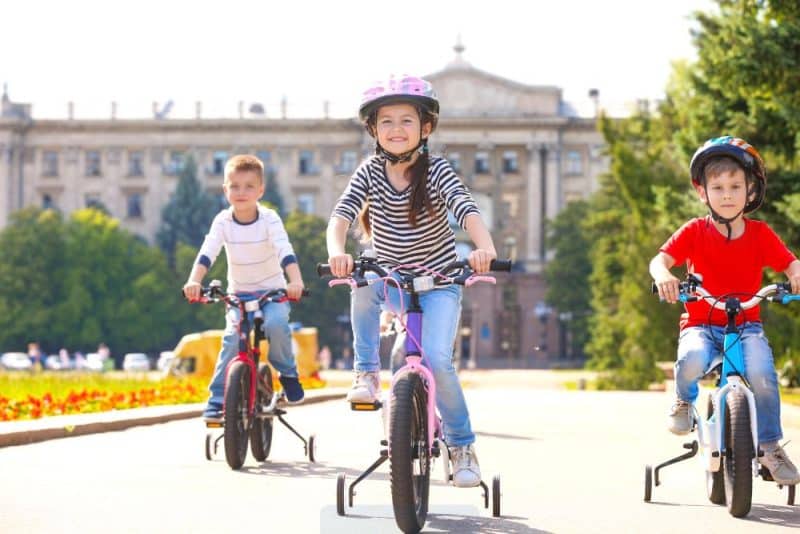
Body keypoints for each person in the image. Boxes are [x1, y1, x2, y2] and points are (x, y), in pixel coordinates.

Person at [326, 75, 498, 488]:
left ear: (425, 128)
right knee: (363, 279)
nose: (397, 129)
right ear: (373, 130)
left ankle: (460, 445)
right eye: (387, 121)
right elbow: (342, 215)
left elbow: (466, 208)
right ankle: (366, 373)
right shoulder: (369, 171)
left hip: (439, 283)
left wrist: (484, 247)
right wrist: (337, 251)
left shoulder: (436, 170)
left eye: (407, 120)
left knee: (438, 361)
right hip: (393, 282)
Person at [650, 136, 800, 485]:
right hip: (700, 323)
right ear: (703, 193)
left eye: (735, 186)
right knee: (691, 360)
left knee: (762, 373)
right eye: (717, 187)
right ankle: (684, 401)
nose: (727, 194)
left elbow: (790, 262)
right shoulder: (694, 231)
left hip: (746, 324)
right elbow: (660, 260)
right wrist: (663, 276)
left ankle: (769, 446)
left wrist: (795, 274)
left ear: (751, 191)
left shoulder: (760, 234)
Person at [183, 154, 306, 423]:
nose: (241, 192)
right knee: (231, 340)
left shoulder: (269, 219)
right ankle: (217, 401)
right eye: (235, 186)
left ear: (261, 190)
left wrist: (295, 281)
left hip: (272, 292)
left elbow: (285, 250)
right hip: (239, 294)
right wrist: (194, 281)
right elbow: (208, 252)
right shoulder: (223, 221)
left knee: (276, 324)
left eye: (249, 186)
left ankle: (287, 373)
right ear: (225, 189)